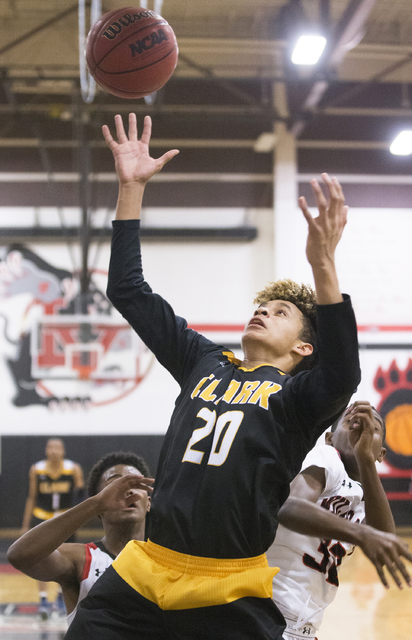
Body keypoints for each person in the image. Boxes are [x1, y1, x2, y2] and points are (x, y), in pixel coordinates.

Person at [65, 112, 362, 640]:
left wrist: (323, 267)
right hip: (146, 569)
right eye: (261, 304)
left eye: (280, 311)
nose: (263, 311)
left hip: (227, 585)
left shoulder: (297, 399)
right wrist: (130, 189)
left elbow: (343, 372)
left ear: (304, 345)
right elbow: (129, 291)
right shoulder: (205, 361)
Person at [271, 401, 412, 640]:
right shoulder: (327, 456)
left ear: (381, 454)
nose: (361, 430)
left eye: (372, 430)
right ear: (329, 438)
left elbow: (384, 537)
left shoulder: (365, 494)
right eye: (350, 423)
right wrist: (361, 534)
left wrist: (365, 459)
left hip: (302, 622)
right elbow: (289, 507)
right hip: (271, 605)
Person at [8, 451, 153, 626]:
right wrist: (94, 505)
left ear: (149, 502)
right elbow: (19, 556)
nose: (128, 490)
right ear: (100, 501)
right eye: (115, 484)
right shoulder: (80, 559)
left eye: (136, 483)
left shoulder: (170, 557)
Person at [21, 437, 84, 618]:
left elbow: (80, 496)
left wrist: (77, 518)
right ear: (46, 450)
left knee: (64, 559)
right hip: (42, 518)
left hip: (64, 519)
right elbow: (31, 497)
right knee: (39, 558)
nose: (54, 451)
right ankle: (42, 599)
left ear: (63, 451)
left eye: (58, 447)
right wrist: (26, 525)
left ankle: (59, 596)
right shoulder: (37, 469)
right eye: (51, 447)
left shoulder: (73, 469)